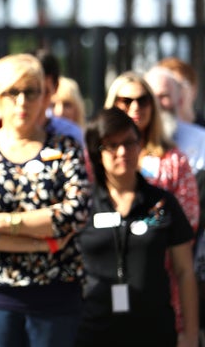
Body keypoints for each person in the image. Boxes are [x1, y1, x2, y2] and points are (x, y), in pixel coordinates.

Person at [0, 53, 89, 347]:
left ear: (44, 95)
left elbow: (74, 214)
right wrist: (47, 240)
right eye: (12, 92)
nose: (22, 101)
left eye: (31, 91)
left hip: (56, 297)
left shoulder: (65, 148)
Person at [77, 108, 198, 347]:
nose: (122, 152)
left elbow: (184, 271)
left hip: (154, 330)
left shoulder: (162, 202)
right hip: (94, 330)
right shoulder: (83, 205)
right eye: (111, 145)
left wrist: (191, 335)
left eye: (129, 143)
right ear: (96, 152)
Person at [104, 70, 199, 334]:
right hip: (105, 287)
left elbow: (186, 227)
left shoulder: (174, 161)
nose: (135, 107)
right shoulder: (97, 158)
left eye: (143, 100)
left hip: (161, 283)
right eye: (126, 101)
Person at [158, 57, 203, 125]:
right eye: (166, 88)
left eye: (178, 85)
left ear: (194, 90)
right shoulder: (151, 133)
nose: (174, 92)